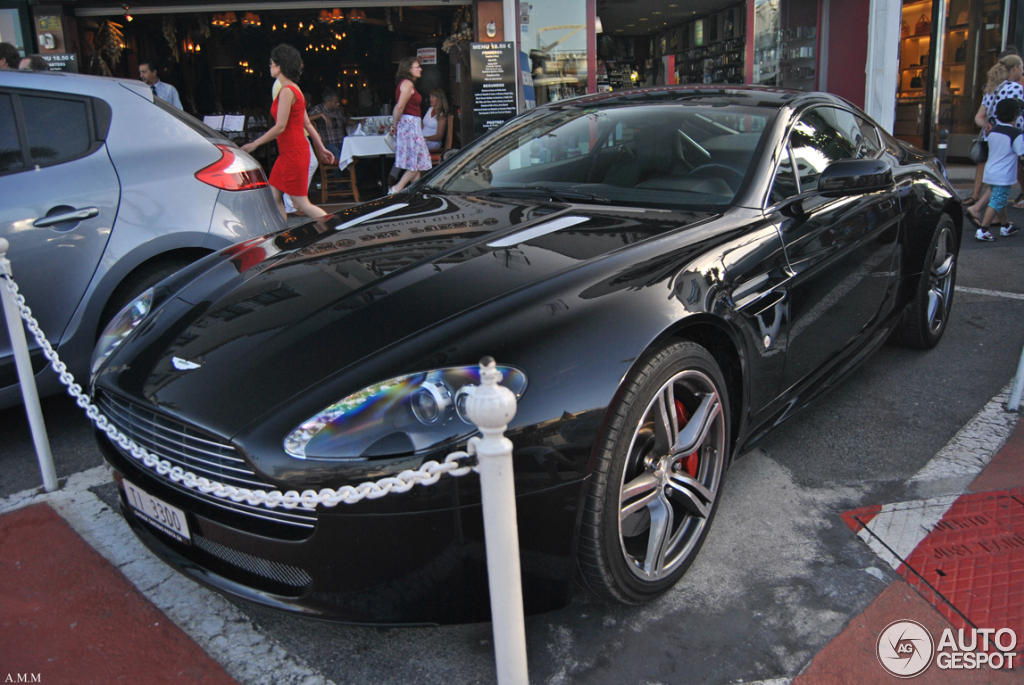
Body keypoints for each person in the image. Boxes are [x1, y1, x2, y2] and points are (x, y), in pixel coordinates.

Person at [242, 44, 334, 222]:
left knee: (300, 203)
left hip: (293, 152)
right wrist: (321, 147)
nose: (270, 66)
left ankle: (335, 230)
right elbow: (306, 122)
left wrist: (255, 143)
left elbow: (280, 126)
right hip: (289, 152)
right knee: (273, 197)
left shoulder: (287, 91)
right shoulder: (293, 88)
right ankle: (283, 238)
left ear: (280, 66)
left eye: (272, 63)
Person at [967, 53, 1024, 224]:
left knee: (1000, 178)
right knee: (1003, 180)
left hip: (994, 137)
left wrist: (988, 125)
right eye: (1021, 67)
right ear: (1015, 68)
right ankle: (978, 212)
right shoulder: (1015, 88)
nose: (1022, 71)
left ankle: (1001, 220)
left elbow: (979, 116)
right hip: (1011, 137)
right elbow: (1017, 114)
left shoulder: (993, 88)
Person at [972, 98, 1023, 242]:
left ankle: (1005, 225)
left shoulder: (993, 131)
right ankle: (983, 230)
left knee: (999, 199)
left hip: (991, 171)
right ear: (1015, 115)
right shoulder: (1016, 134)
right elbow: (1021, 152)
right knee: (996, 201)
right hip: (1004, 175)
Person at [389, 57, 432, 193]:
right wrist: (394, 125)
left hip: (410, 124)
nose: (420, 69)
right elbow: (400, 106)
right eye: (417, 66)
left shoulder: (407, 84)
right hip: (409, 124)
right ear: (408, 69)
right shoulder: (407, 83)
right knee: (419, 160)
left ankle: (415, 193)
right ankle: (397, 188)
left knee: (416, 160)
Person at [308, 88, 347, 165]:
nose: (338, 104)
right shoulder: (318, 109)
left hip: (342, 142)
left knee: (357, 152)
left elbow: (346, 121)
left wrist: (359, 121)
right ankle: (338, 177)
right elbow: (304, 119)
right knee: (336, 152)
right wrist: (321, 115)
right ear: (328, 102)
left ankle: (356, 176)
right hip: (328, 144)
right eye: (335, 102)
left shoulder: (338, 110)